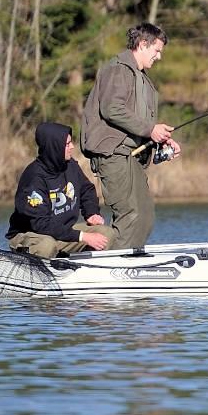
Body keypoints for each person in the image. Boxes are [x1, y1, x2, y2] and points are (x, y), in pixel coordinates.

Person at [81, 21, 180, 251]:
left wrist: (161, 138)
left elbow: (140, 122)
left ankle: (129, 265)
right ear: (143, 44)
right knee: (129, 214)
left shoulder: (141, 77)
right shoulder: (118, 69)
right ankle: (113, 266)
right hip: (112, 154)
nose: (159, 57)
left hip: (131, 156)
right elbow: (112, 108)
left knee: (145, 215)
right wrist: (150, 130)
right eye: (157, 51)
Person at [6, 121, 116, 256]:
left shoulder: (70, 166)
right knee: (47, 245)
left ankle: (84, 269)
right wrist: (82, 237)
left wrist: (91, 213)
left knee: (106, 234)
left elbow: (86, 190)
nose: (72, 147)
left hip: (62, 232)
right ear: (54, 147)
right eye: (67, 144)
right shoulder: (34, 177)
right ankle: (37, 267)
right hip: (32, 235)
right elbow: (41, 225)